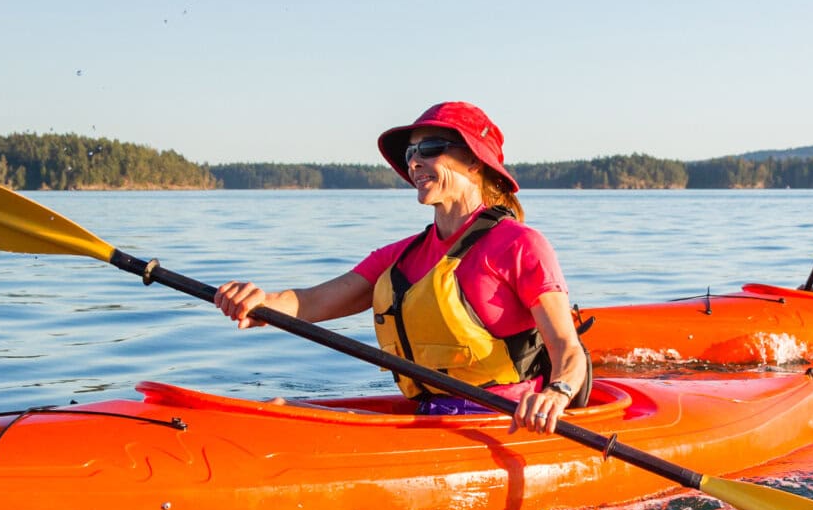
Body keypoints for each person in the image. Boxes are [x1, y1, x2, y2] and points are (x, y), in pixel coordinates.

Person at [212, 102, 591, 431]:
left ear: (474, 161)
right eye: (411, 152)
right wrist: (259, 303)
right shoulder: (398, 258)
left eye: (431, 148)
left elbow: (567, 350)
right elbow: (312, 302)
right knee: (279, 410)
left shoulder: (520, 245)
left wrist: (556, 395)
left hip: (502, 424)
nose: (414, 161)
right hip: (429, 416)